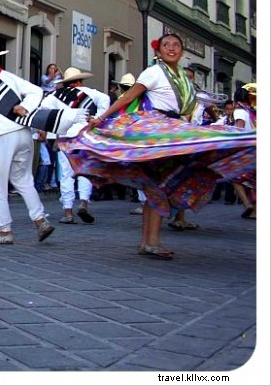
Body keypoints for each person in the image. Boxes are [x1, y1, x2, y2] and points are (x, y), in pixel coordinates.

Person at [68, 34, 256, 260]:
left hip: (170, 130)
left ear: (182, 51)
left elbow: (188, 107)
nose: (171, 48)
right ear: (158, 52)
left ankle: (147, 242)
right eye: (166, 45)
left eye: (176, 45)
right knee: (157, 185)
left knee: (155, 187)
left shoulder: (184, 79)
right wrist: (101, 118)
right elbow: (128, 97)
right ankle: (151, 242)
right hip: (155, 131)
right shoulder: (154, 72)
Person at [0, 38, 81, 245]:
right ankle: (40, 220)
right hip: (23, 132)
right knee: (23, 179)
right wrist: (25, 106)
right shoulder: (7, 76)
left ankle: (4, 231)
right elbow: (37, 91)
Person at [41, 67, 110, 225]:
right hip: (85, 136)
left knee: (66, 174)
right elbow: (105, 99)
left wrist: (57, 122)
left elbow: (44, 107)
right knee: (84, 171)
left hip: (66, 138)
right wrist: (98, 118)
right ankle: (83, 203)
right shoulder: (91, 93)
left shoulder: (55, 95)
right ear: (80, 80)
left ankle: (68, 212)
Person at [231, 85, 256, 220]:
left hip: (244, 149)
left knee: (236, 179)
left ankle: (247, 204)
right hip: (253, 148)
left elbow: (239, 129)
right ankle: (254, 210)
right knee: (252, 181)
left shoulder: (239, 111)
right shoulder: (251, 111)